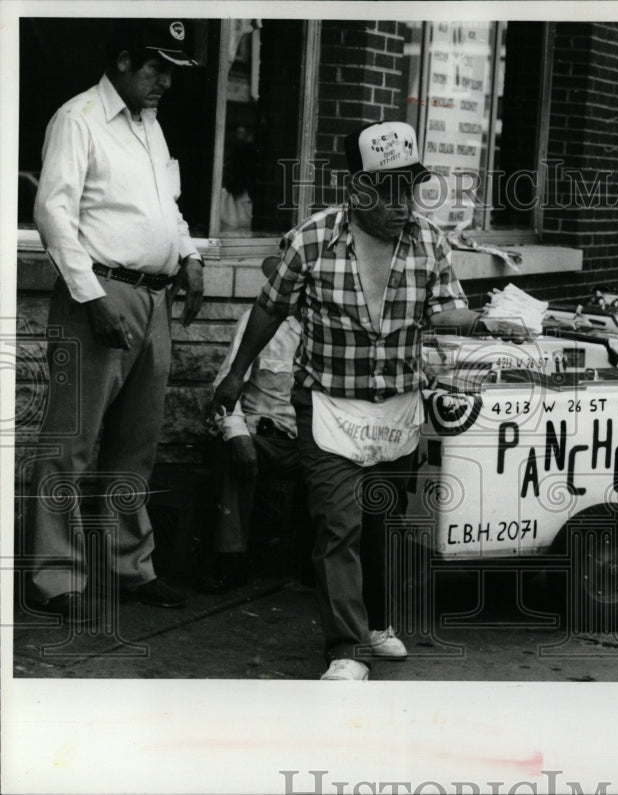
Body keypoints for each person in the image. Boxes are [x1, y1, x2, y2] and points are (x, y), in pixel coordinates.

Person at [210, 121, 485, 680]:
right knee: (338, 525)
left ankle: (376, 625)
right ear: (358, 189)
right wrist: (236, 376)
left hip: (395, 406)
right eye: (389, 190)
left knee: (382, 523)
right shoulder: (311, 240)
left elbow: (442, 311)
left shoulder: (430, 240)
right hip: (328, 404)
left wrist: (487, 320)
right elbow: (269, 309)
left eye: (410, 188)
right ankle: (344, 651)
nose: (403, 204)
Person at [28, 19, 204, 624]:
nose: (164, 83)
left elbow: (168, 208)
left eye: (173, 73)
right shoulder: (78, 119)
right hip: (99, 294)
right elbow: (53, 213)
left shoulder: (148, 126)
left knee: (136, 445)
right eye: (156, 68)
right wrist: (90, 296)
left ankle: (129, 566)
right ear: (124, 61)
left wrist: (189, 256)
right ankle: (53, 577)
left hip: (153, 299)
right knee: (70, 443)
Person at [199, 256, 302, 594]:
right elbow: (224, 387)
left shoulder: (334, 329)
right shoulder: (256, 322)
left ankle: (321, 565)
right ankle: (231, 559)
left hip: (314, 439)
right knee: (234, 449)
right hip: (265, 435)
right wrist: (239, 434)